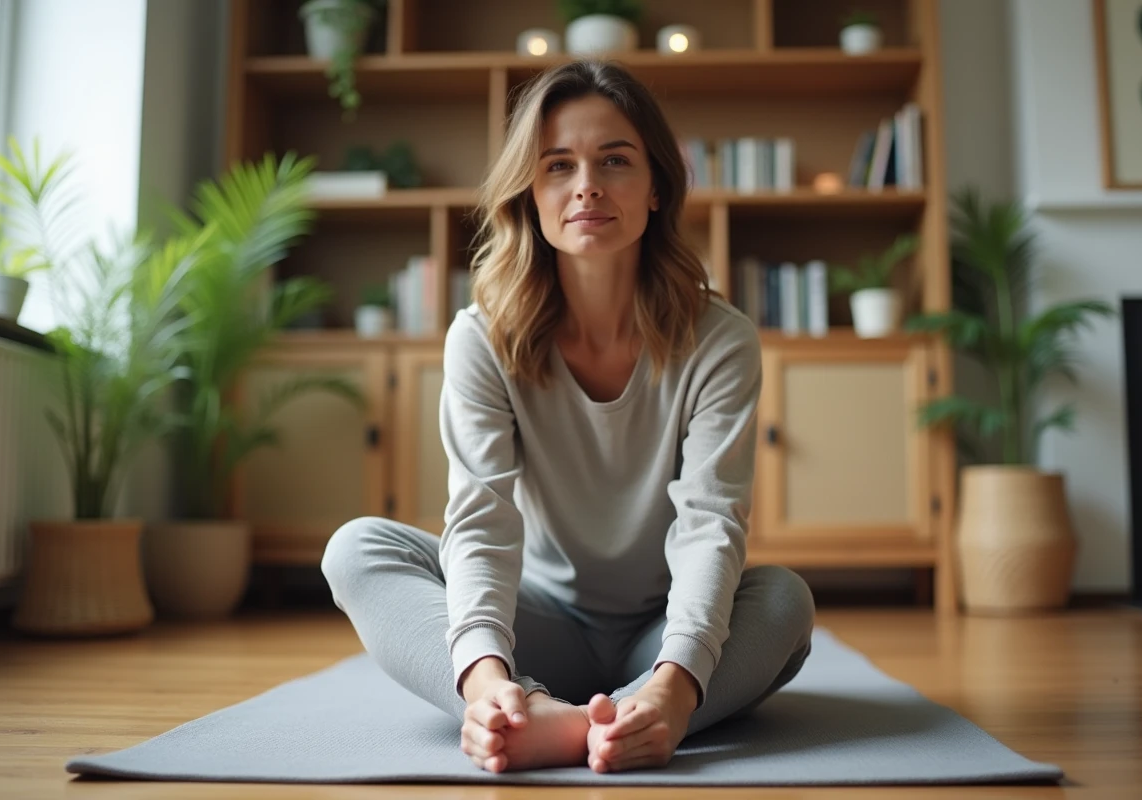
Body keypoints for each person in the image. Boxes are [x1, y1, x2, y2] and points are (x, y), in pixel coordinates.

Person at [321, 59, 815, 775]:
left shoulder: (721, 339)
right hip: (537, 622)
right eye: (558, 166)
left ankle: (626, 714)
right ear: (531, 191)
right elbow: (481, 517)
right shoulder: (482, 336)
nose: (586, 185)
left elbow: (711, 523)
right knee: (356, 548)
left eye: (614, 160)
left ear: (655, 189)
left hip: (660, 628)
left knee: (784, 603)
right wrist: (489, 682)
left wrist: (675, 685)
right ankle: (531, 713)